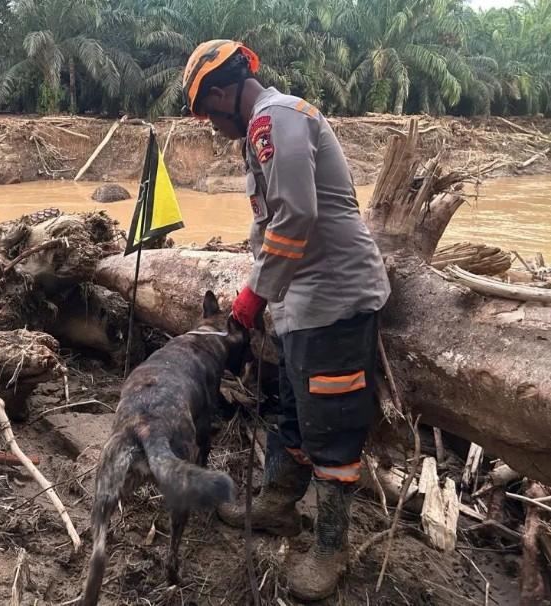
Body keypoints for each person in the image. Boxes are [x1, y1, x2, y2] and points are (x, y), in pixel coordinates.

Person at [181, 40, 391, 600]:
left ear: (223, 94)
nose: (209, 126)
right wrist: (268, 296)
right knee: (296, 409)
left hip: (336, 301)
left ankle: (331, 547)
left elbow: (297, 215)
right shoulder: (261, 132)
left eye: (206, 113)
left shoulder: (277, 121)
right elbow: (273, 224)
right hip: (302, 300)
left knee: (334, 421)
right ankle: (280, 503)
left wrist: (254, 296)